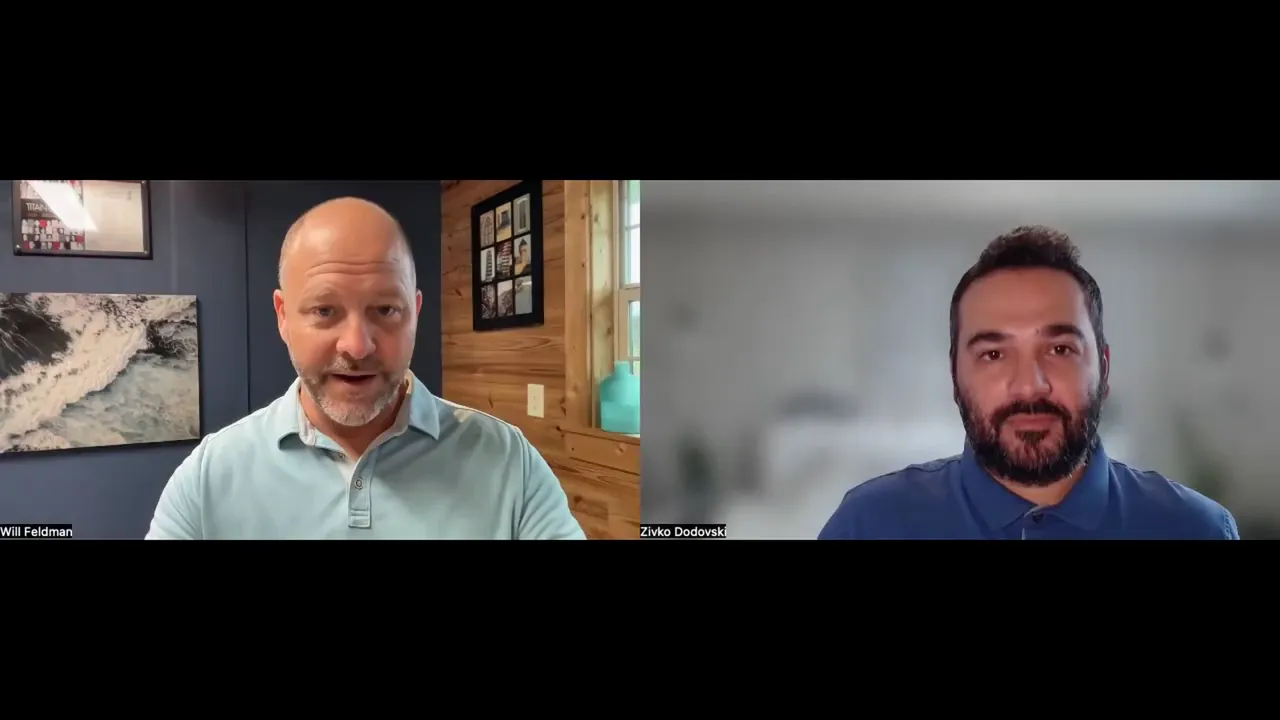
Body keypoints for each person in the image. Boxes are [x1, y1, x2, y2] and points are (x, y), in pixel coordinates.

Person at [146, 197, 585, 540]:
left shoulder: (509, 464)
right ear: (282, 316)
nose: (357, 345)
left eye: (385, 310)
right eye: (324, 310)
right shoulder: (208, 479)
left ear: (414, 313)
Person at [818, 225, 1239, 540]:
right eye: (993, 355)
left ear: (1104, 369)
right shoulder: (868, 525)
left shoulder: (1198, 529)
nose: (1029, 387)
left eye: (1059, 350)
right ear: (955, 377)